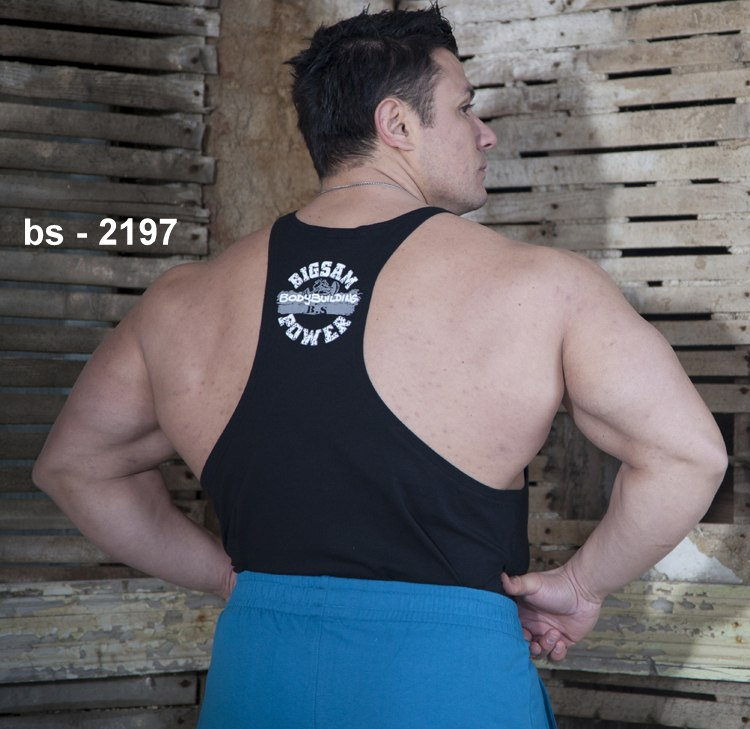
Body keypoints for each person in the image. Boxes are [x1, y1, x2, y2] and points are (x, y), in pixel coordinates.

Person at [33, 4, 727, 728]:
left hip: (258, 677)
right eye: (464, 108)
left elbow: (75, 468)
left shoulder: (181, 301)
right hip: (448, 684)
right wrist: (582, 585)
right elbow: (688, 455)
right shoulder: (543, 286)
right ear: (396, 124)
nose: (485, 133)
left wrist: (227, 579)